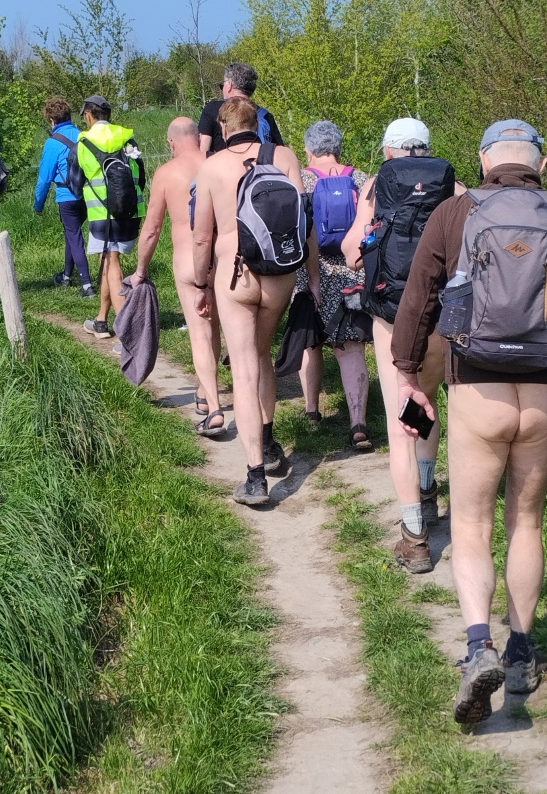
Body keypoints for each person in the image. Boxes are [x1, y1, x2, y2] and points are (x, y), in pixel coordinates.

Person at [391, 119, 547, 723]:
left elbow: (419, 297)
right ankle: (522, 653)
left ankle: (480, 645)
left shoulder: (454, 214)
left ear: (482, 161)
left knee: (473, 524)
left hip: (477, 387)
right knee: (526, 521)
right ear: (542, 163)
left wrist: (407, 374)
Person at [342, 117, 459, 573]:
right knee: (427, 401)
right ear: (427, 146)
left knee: (400, 422)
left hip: (394, 316)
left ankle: (414, 537)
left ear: (389, 150)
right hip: (442, 315)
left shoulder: (377, 186)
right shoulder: (455, 186)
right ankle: (428, 491)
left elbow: (353, 249)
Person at [193, 97, 320, 504]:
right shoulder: (284, 156)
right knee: (262, 356)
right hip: (279, 272)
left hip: (236, 274)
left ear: (224, 127)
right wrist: (314, 278)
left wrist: (201, 283)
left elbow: (202, 237)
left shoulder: (212, 166)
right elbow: (306, 221)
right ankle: (268, 442)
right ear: (257, 124)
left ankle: (255, 477)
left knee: (245, 367)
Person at [128, 117, 225, 435]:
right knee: (217, 328)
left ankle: (214, 407)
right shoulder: (218, 163)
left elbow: (152, 229)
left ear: (171, 142)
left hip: (189, 262)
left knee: (200, 332)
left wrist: (141, 270)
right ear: (197, 137)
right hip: (224, 259)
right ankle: (204, 391)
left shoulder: (167, 173)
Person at [295, 120, 372, 446]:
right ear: (339, 148)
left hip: (312, 271)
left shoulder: (301, 180)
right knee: (350, 347)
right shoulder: (361, 179)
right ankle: (358, 423)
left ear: (309, 150)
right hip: (353, 272)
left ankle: (312, 411)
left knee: (310, 343)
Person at [76, 94, 145, 338]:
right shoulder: (127, 137)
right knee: (110, 260)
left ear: (88, 115)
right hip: (132, 210)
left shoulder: (84, 141)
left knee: (111, 263)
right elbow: (142, 176)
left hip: (102, 213)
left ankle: (127, 333)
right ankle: (101, 321)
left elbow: (74, 182)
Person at [33, 96, 95, 296]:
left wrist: (38, 205)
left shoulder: (52, 143)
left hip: (66, 196)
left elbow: (44, 179)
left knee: (74, 237)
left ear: (52, 120)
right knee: (72, 234)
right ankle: (67, 276)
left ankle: (87, 284)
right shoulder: (83, 136)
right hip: (87, 194)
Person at [198, 62, 284, 155]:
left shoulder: (212, 109)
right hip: (258, 163)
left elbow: (203, 150)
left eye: (222, 85)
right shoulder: (265, 115)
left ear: (229, 85)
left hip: (225, 163)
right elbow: (279, 152)